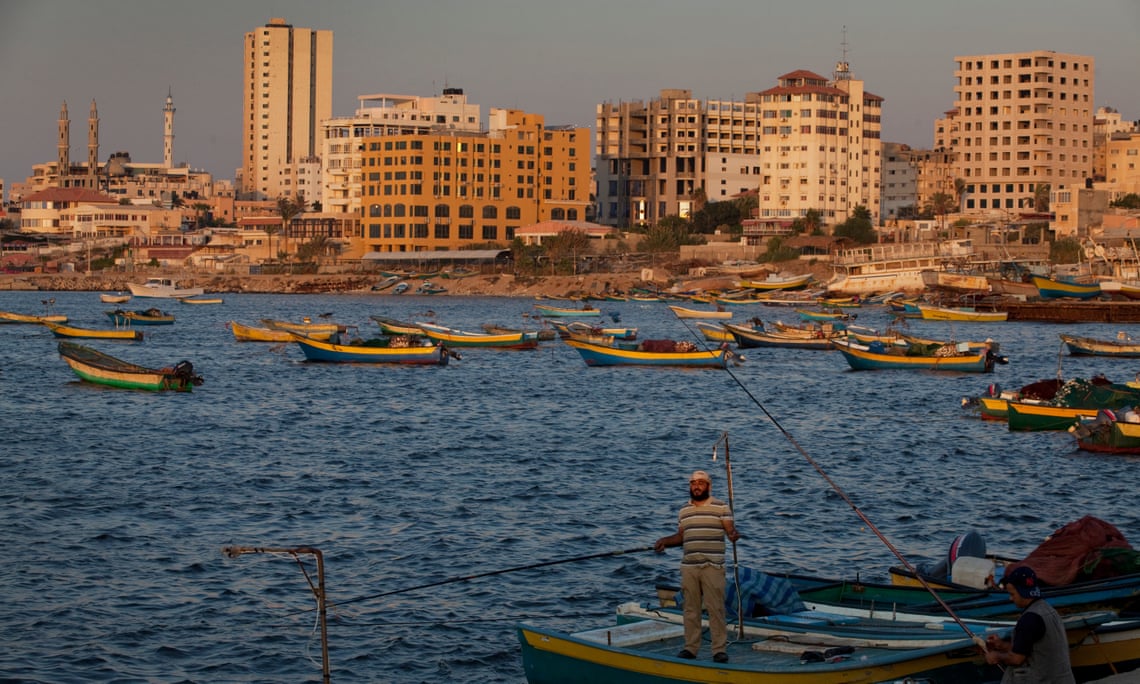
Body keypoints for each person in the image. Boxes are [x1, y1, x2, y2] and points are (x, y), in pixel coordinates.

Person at [654, 469, 740, 663]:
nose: (696, 486)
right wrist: (665, 541)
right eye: (693, 483)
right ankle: (690, 648)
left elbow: (730, 531)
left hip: (713, 566)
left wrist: (733, 535)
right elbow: (681, 537)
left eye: (700, 482)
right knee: (690, 609)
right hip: (689, 566)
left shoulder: (721, 507)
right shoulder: (684, 510)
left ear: (708, 486)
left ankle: (719, 650)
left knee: (715, 608)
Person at [983, 566, 1075, 683]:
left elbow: (1016, 659)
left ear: (1022, 592)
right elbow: (1030, 649)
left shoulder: (1030, 618)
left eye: (1012, 594)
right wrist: (1001, 645)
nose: (1011, 598)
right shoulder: (1048, 610)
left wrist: (996, 656)